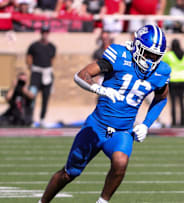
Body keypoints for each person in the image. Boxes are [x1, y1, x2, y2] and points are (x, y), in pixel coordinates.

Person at [38, 24, 170, 203]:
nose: (151, 59)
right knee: (69, 173)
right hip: (96, 126)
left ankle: (102, 201)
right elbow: (82, 75)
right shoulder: (119, 55)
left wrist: (146, 124)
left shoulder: (161, 71)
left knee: (120, 163)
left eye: (156, 56)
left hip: (122, 131)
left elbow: (161, 98)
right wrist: (101, 90)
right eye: (148, 53)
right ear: (137, 46)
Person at [26, 25, 56, 126]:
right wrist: (31, 67)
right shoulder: (34, 45)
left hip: (47, 73)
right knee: (32, 95)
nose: (45, 34)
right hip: (36, 74)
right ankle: (30, 118)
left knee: (45, 97)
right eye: (43, 32)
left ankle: (42, 118)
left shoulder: (52, 46)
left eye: (46, 32)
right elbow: (29, 57)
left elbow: (52, 60)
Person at [163, 39, 184, 127]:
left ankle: (174, 122)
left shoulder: (169, 55)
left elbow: (164, 66)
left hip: (173, 81)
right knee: (181, 102)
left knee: (173, 102)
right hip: (183, 81)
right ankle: (182, 122)